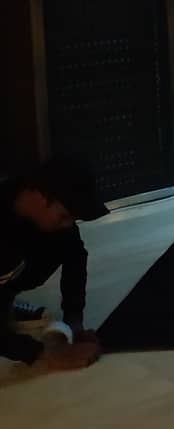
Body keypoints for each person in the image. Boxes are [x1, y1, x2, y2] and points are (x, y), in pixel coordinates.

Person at [1, 158, 109, 370]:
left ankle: (6, 300)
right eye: (64, 216)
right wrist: (43, 354)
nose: (68, 224)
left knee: (65, 243)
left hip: (9, 272)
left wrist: (74, 320)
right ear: (40, 197)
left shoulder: (54, 225)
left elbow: (76, 256)